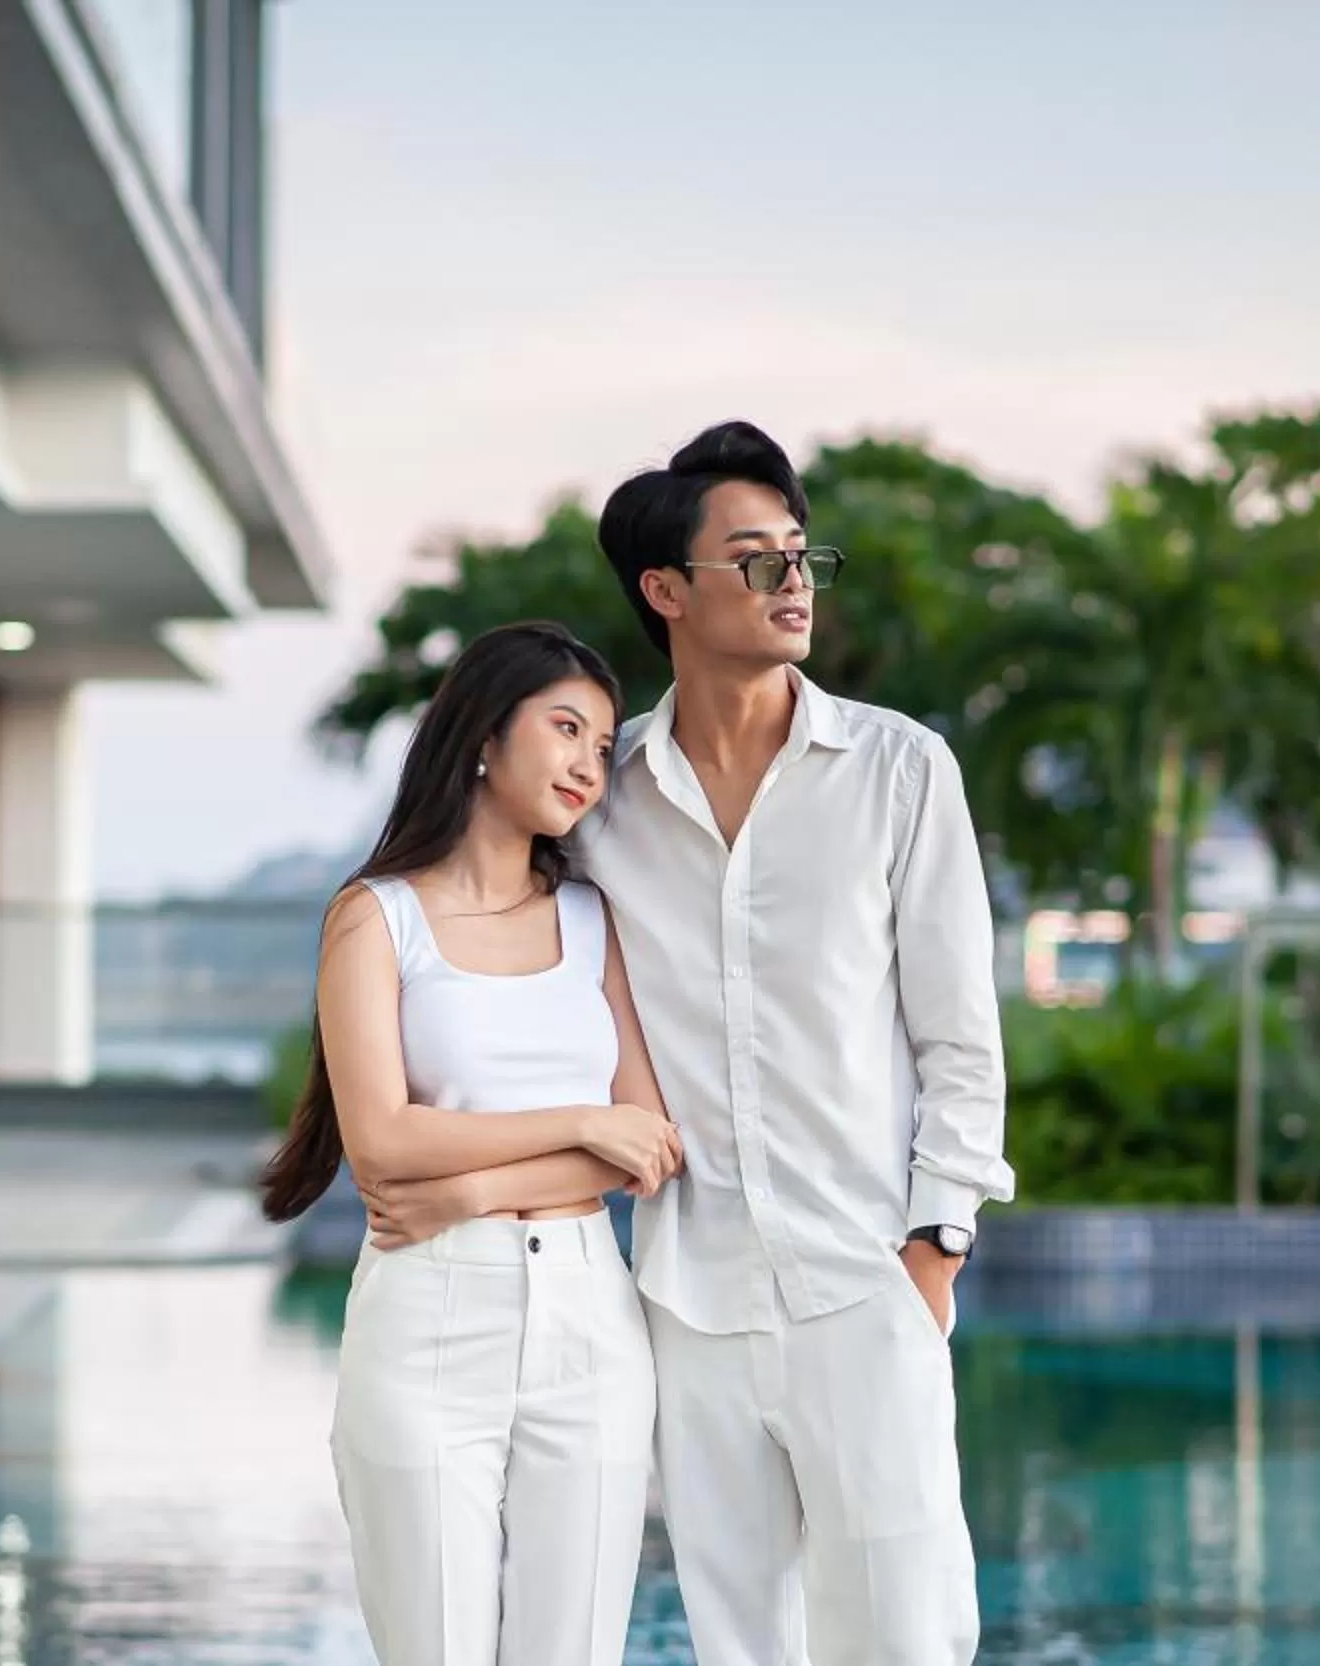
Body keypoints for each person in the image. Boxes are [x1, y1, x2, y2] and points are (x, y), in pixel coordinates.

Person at [581, 420, 1015, 1665]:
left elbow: (960, 1039)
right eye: (756, 558)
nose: (795, 583)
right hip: (691, 1298)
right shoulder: (603, 797)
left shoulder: (898, 769)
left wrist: (934, 1248)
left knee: (906, 1633)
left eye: (802, 554)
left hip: (866, 1283)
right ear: (667, 590)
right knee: (741, 1642)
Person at [257, 620, 685, 1666]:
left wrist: (470, 1187)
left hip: (589, 1318)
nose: (592, 760)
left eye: (604, 739)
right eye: (566, 727)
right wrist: (578, 1122)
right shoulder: (375, 918)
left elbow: (650, 1145)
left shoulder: (595, 917)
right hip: (426, 1321)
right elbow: (384, 1144)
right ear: (485, 738)